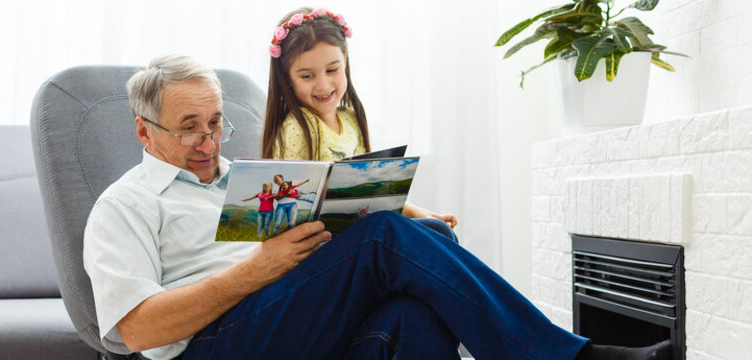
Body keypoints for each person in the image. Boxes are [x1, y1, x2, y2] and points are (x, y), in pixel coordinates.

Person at [82, 54, 671, 360]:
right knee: (384, 239)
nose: (210, 143)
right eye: (190, 129)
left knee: (415, 298)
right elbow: (136, 331)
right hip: (212, 349)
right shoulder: (125, 206)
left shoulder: (252, 180)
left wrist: (414, 215)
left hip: (284, 321)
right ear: (144, 131)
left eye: (216, 124)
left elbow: (340, 208)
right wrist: (256, 270)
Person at [261, 7, 458, 240]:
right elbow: (289, 208)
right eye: (307, 76)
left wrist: (418, 212)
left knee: (440, 232)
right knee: (412, 232)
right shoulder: (296, 129)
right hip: (324, 248)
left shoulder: (351, 120)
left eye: (332, 70)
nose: (323, 85)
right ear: (287, 78)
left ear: (345, 60)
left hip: (362, 235)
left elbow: (372, 194)